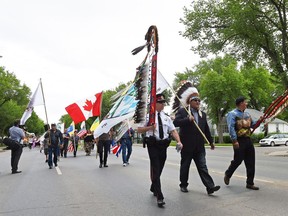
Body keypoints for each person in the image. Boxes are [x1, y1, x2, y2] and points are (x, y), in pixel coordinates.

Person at [137, 94, 182, 208]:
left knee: (160, 167)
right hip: (153, 145)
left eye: (163, 102)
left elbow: (173, 131)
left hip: (163, 145)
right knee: (156, 168)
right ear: (154, 104)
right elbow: (139, 130)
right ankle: (159, 196)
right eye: (160, 102)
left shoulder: (166, 117)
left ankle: (154, 186)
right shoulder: (148, 117)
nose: (163, 104)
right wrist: (149, 128)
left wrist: (179, 141)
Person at [173, 90, 220, 195]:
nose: (198, 102)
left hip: (199, 146)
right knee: (185, 165)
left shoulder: (202, 114)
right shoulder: (183, 111)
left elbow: (206, 129)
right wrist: (187, 119)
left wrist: (211, 142)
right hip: (187, 145)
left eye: (199, 100)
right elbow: (175, 122)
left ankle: (210, 187)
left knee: (203, 166)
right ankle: (183, 184)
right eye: (195, 100)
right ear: (190, 102)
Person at [224, 96, 260, 190]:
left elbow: (253, 124)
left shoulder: (247, 114)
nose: (246, 104)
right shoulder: (232, 114)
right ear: (241, 103)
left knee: (251, 161)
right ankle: (228, 174)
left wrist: (261, 121)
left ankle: (250, 183)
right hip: (239, 140)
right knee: (238, 160)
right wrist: (234, 140)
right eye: (245, 102)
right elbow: (231, 127)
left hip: (248, 139)